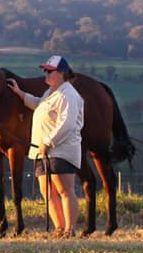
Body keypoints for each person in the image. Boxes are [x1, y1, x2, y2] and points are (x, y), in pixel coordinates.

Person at [6, 55, 84, 237]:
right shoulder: (51, 93)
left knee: (64, 190)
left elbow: (67, 123)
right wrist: (20, 94)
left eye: (50, 71)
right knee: (46, 191)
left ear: (62, 73)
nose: (46, 73)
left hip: (61, 150)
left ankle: (69, 230)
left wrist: (48, 142)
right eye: (45, 70)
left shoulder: (68, 94)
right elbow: (39, 105)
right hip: (42, 151)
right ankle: (59, 228)